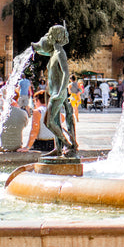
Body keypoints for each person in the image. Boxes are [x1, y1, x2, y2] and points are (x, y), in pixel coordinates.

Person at [30, 25, 78, 156]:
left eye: (50, 35)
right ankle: (58, 149)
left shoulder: (60, 53)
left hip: (58, 93)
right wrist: (35, 46)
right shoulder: (53, 53)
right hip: (52, 92)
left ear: (55, 36)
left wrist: (60, 91)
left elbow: (66, 73)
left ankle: (69, 145)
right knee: (55, 120)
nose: (48, 37)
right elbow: (42, 49)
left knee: (48, 122)